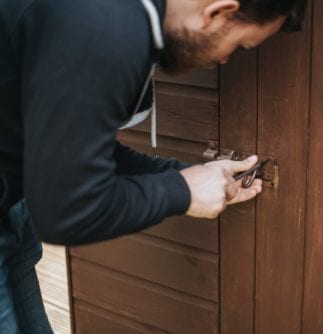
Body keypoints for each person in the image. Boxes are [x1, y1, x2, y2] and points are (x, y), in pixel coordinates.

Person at [0, 0, 306, 332]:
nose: (224, 58)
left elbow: (72, 152)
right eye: (239, 44)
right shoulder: (103, 27)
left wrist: (183, 175)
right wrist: (183, 191)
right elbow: (64, 211)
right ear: (218, 11)